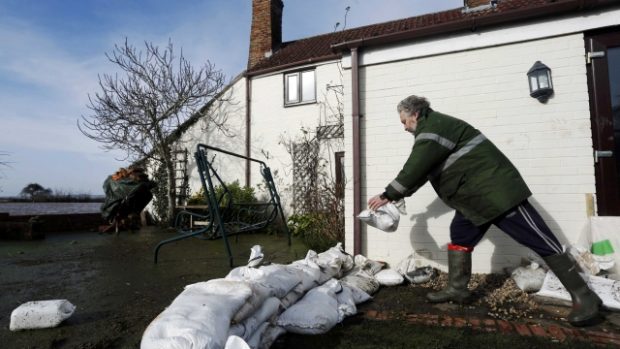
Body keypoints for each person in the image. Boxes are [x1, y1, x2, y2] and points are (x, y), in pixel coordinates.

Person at [367, 95, 602, 327]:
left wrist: (389, 194)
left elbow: (416, 166)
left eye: (404, 122)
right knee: (460, 234)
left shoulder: (432, 130)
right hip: (475, 198)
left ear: (415, 114)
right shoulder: (434, 129)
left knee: (540, 239)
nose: (404, 128)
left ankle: (584, 296)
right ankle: (457, 289)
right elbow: (425, 170)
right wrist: (400, 196)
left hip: (498, 195)